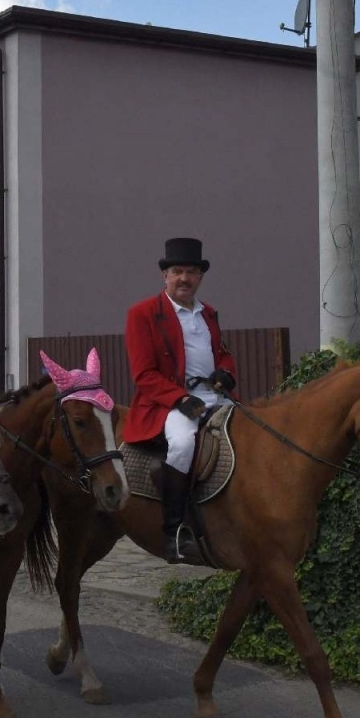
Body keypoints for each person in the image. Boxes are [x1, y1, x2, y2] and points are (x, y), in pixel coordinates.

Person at [123, 237, 237, 564]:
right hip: (168, 403)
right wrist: (180, 399)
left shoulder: (209, 313)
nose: (184, 278)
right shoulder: (142, 313)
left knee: (250, 434)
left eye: (191, 272)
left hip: (213, 397)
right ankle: (174, 530)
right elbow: (143, 374)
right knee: (184, 443)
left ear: (200, 276)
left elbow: (224, 354)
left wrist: (226, 374)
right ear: (165, 276)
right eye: (177, 271)